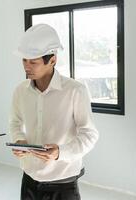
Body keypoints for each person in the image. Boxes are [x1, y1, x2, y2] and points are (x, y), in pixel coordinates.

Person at [9, 23, 99, 200]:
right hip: (29, 180)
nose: (27, 67)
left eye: (33, 62)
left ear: (52, 60)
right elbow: (15, 122)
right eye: (24, 60)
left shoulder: (75, 91)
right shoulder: (20, 90)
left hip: (63, 184)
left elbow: (90, 135)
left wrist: (60, 152)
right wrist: (18, 140)